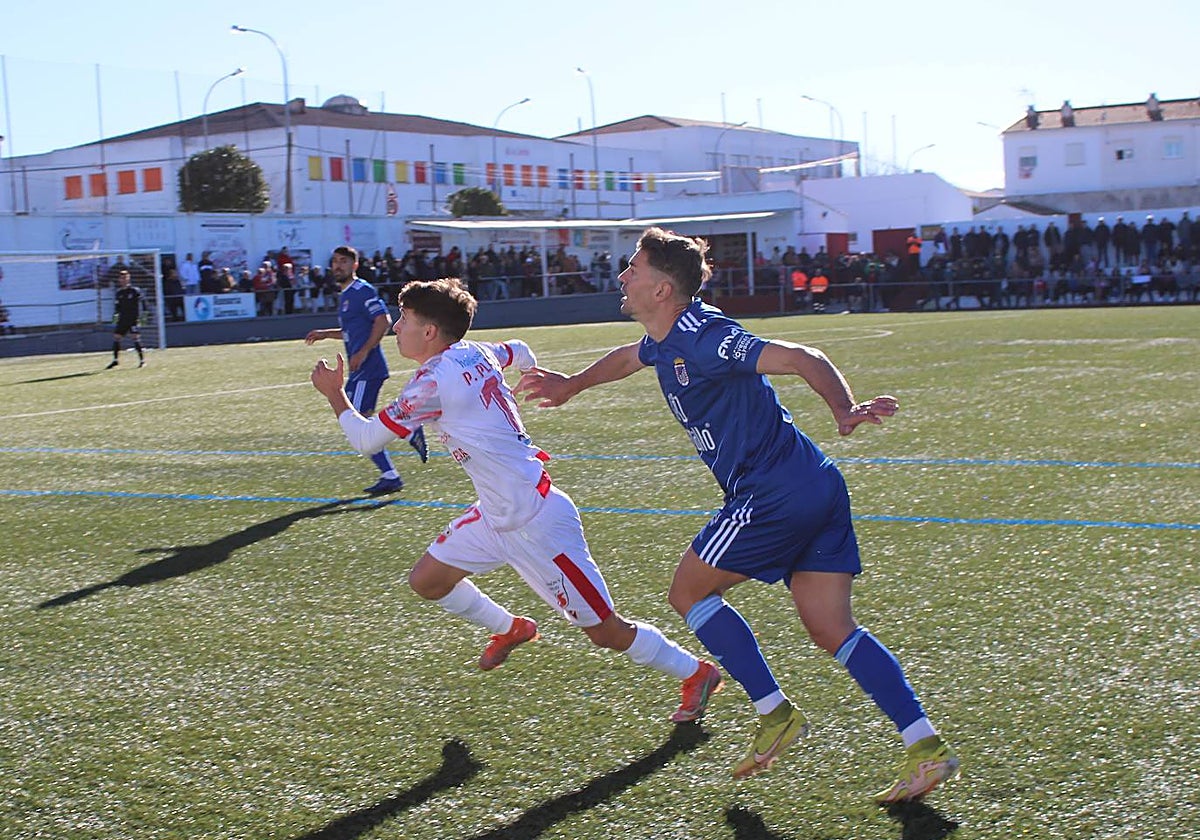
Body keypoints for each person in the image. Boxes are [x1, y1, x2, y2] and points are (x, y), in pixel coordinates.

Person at [517, 227, 957, 802]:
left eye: (633, 268)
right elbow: (630, 357)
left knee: (689, 593)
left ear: (662, 289)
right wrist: (572, 385)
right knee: (830, 627)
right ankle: (926, 746)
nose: (623, 276)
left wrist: (844, 410)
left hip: (773, 494)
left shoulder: (705, 337)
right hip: (815, 484)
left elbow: (803, 357)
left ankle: (774, 711)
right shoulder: (667, 335)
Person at [309, 276, 724, 725]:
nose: (396, 328)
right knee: (428, 581)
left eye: (405, 320)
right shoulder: (477, 351)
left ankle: (696, 671)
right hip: (497, 513)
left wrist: (336, 395)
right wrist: (528, 373)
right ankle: (512, 628)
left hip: (539, 522)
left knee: (606, 631)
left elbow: (368, 439)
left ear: (430, 332)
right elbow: (520, 349)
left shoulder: (433, 380)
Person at [305, 246, 417, 495]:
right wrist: (326, 334)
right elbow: (353, 330)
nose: (338, 266)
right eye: (334, 261)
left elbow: (383, 320)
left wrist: (364, 351)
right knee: (361, 423)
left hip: (368, 369)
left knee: (357, 425)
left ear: (355, 265)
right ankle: (392, 471)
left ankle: (405, 435)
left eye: (344, 262)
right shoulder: (346, 295)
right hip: (361, 370)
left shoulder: (361, 290)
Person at [106, 269, 146, 369]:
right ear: (119, 280)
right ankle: (115, 361)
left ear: (129, 279)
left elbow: (144, 304)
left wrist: (143, 318)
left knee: (135, 338)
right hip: (122, 320)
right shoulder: (119, 293)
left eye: (125, 278)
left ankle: (142, 361)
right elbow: (117, 308)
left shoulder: (134, 291)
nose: (124, 280)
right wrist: (115, 320)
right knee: (116, 337)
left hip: (133, 319)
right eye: (122, 278)